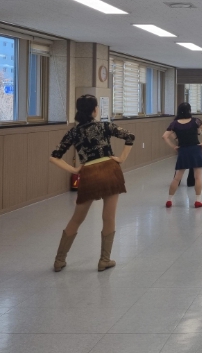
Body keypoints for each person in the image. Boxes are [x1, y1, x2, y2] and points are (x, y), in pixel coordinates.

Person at [49, 94, 135, 272]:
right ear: (95, 110)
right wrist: (121, 158)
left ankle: (59, 260)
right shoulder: (105, 126)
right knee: (108, 217)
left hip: (89, 174)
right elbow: (130, 136)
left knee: (77, 218)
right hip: (110, 171)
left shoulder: (73, 132)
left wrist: (74, 170)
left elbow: (54, 157)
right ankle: (104, 260)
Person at [163, 102, 202, 208]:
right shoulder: (195, 121)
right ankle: (198, 201)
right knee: (198, 177)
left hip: (183, 151)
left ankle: (169, 200)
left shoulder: (174, 123)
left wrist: (174, 146)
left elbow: (165, 136)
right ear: (189, 110)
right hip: (195, 149)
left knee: (177, 178)